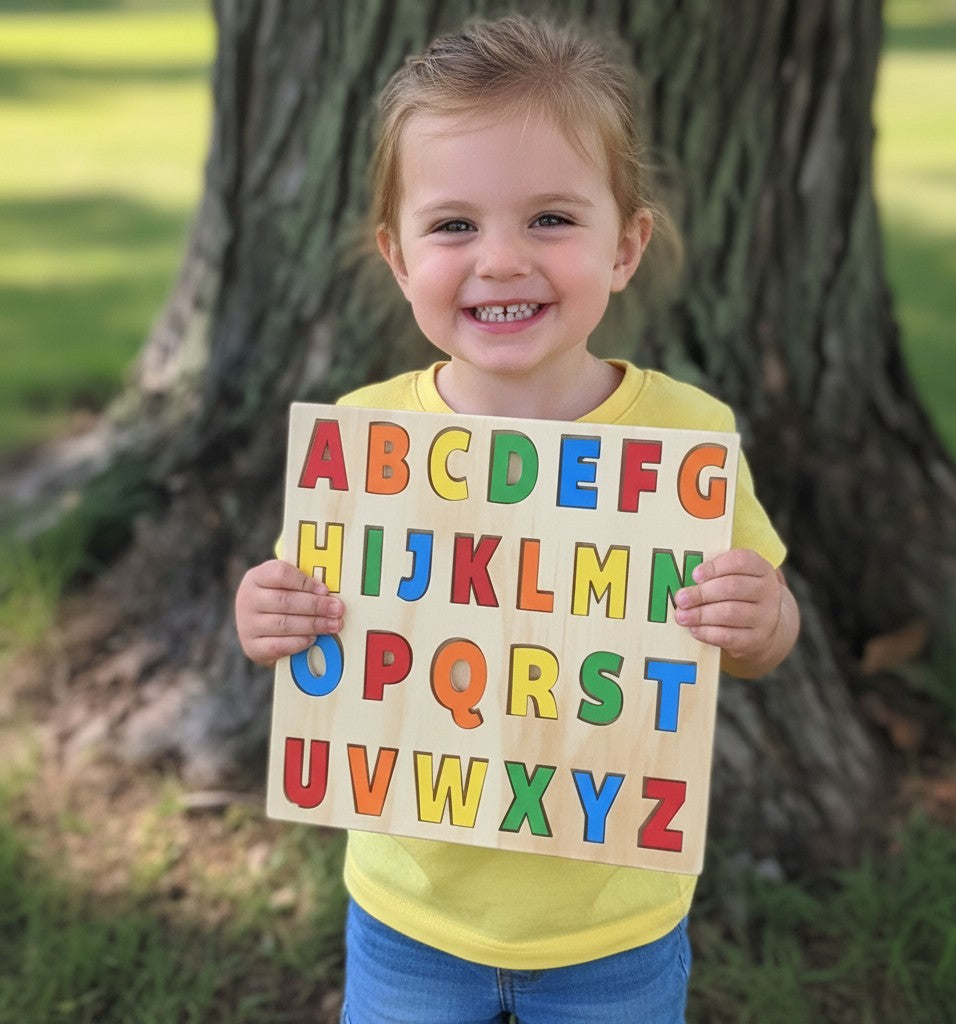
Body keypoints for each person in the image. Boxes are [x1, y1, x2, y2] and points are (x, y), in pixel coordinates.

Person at [235, 14, 800, 1024]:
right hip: (409, 913)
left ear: (625, 247)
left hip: (614, 926)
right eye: (453, 226)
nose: (499, 260)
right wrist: (264, 615)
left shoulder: (686, 439)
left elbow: (761, 639)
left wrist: (760, 621)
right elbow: (304, 612)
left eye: (550, 219)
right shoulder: (364, 439)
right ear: (397, 257)